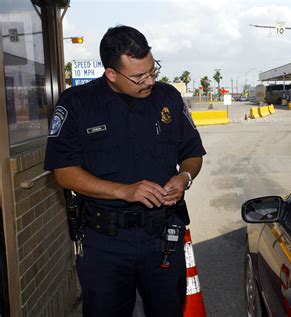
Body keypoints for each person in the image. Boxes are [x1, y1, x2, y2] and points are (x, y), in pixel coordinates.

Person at [44, 25, 206, 316]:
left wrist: (185, 177)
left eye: (152, 70)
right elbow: (64, 172)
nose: (149, 81)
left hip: (162, 238)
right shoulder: (78, 104)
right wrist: (124, 191)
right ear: (111, 74)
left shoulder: (167, 97)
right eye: (139, 77)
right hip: (105, 242)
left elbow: (193, 153)